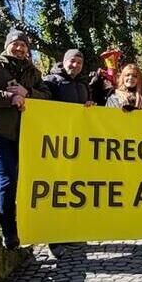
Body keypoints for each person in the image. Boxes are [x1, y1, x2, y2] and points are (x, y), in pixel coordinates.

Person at [0, 30, 50, 250]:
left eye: (24, 45)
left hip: (20, 136)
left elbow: (47, 97)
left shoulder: (33, 73)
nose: (20, 48)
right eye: (15, 44)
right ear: (7, 45)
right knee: (8, 179)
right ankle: (9, 231)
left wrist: (28, 93)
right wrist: (10, 97)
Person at [42, 49, 92, 258]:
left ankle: (68, 232)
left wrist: (89, 107)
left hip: (76, 146)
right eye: (73, 61)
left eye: (79, 62)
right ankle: (53, 238)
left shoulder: (83, 85)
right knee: (56, 191)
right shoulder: (50, 81)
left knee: (72, 190)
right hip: (55, 145)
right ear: (64, 61)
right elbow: (41, 105)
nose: (76, 65)